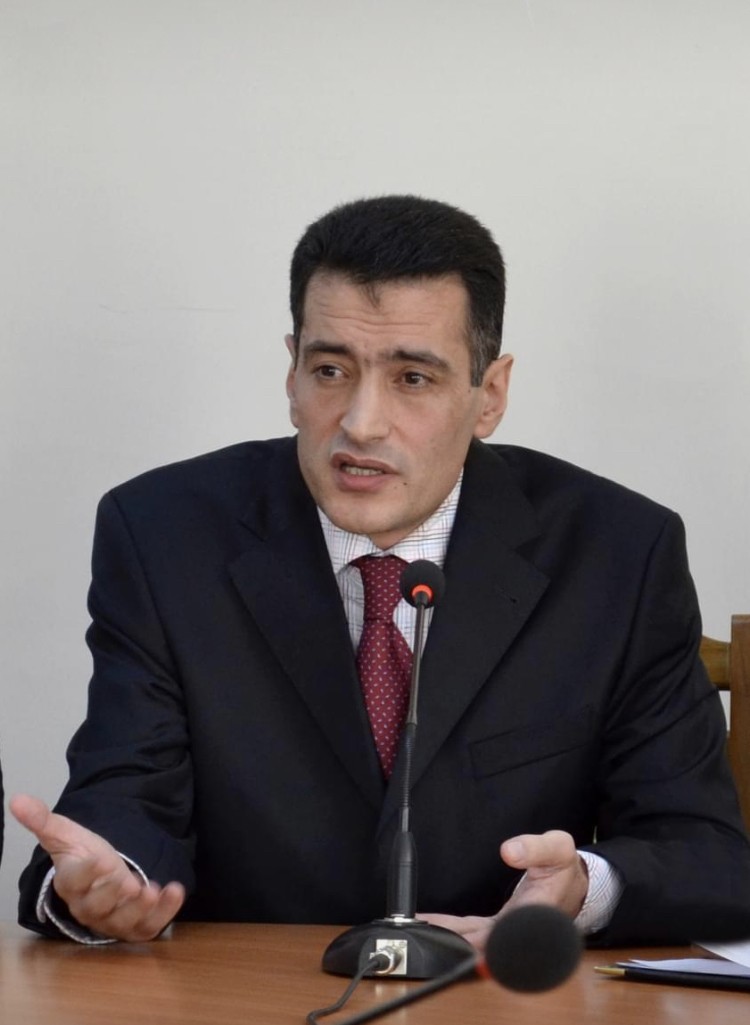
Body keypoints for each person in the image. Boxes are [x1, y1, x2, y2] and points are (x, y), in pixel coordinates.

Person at [12, 195, 750, 948]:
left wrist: (584, 887)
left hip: (494, 991)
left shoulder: (618, 554)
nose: (360, 423)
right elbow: (126, 797)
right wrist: (112, 879)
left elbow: (706, 853)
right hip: (249, 992)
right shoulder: (164, 534)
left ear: (489, 395)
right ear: (292, 375)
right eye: (330, 369)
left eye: (413, 378)